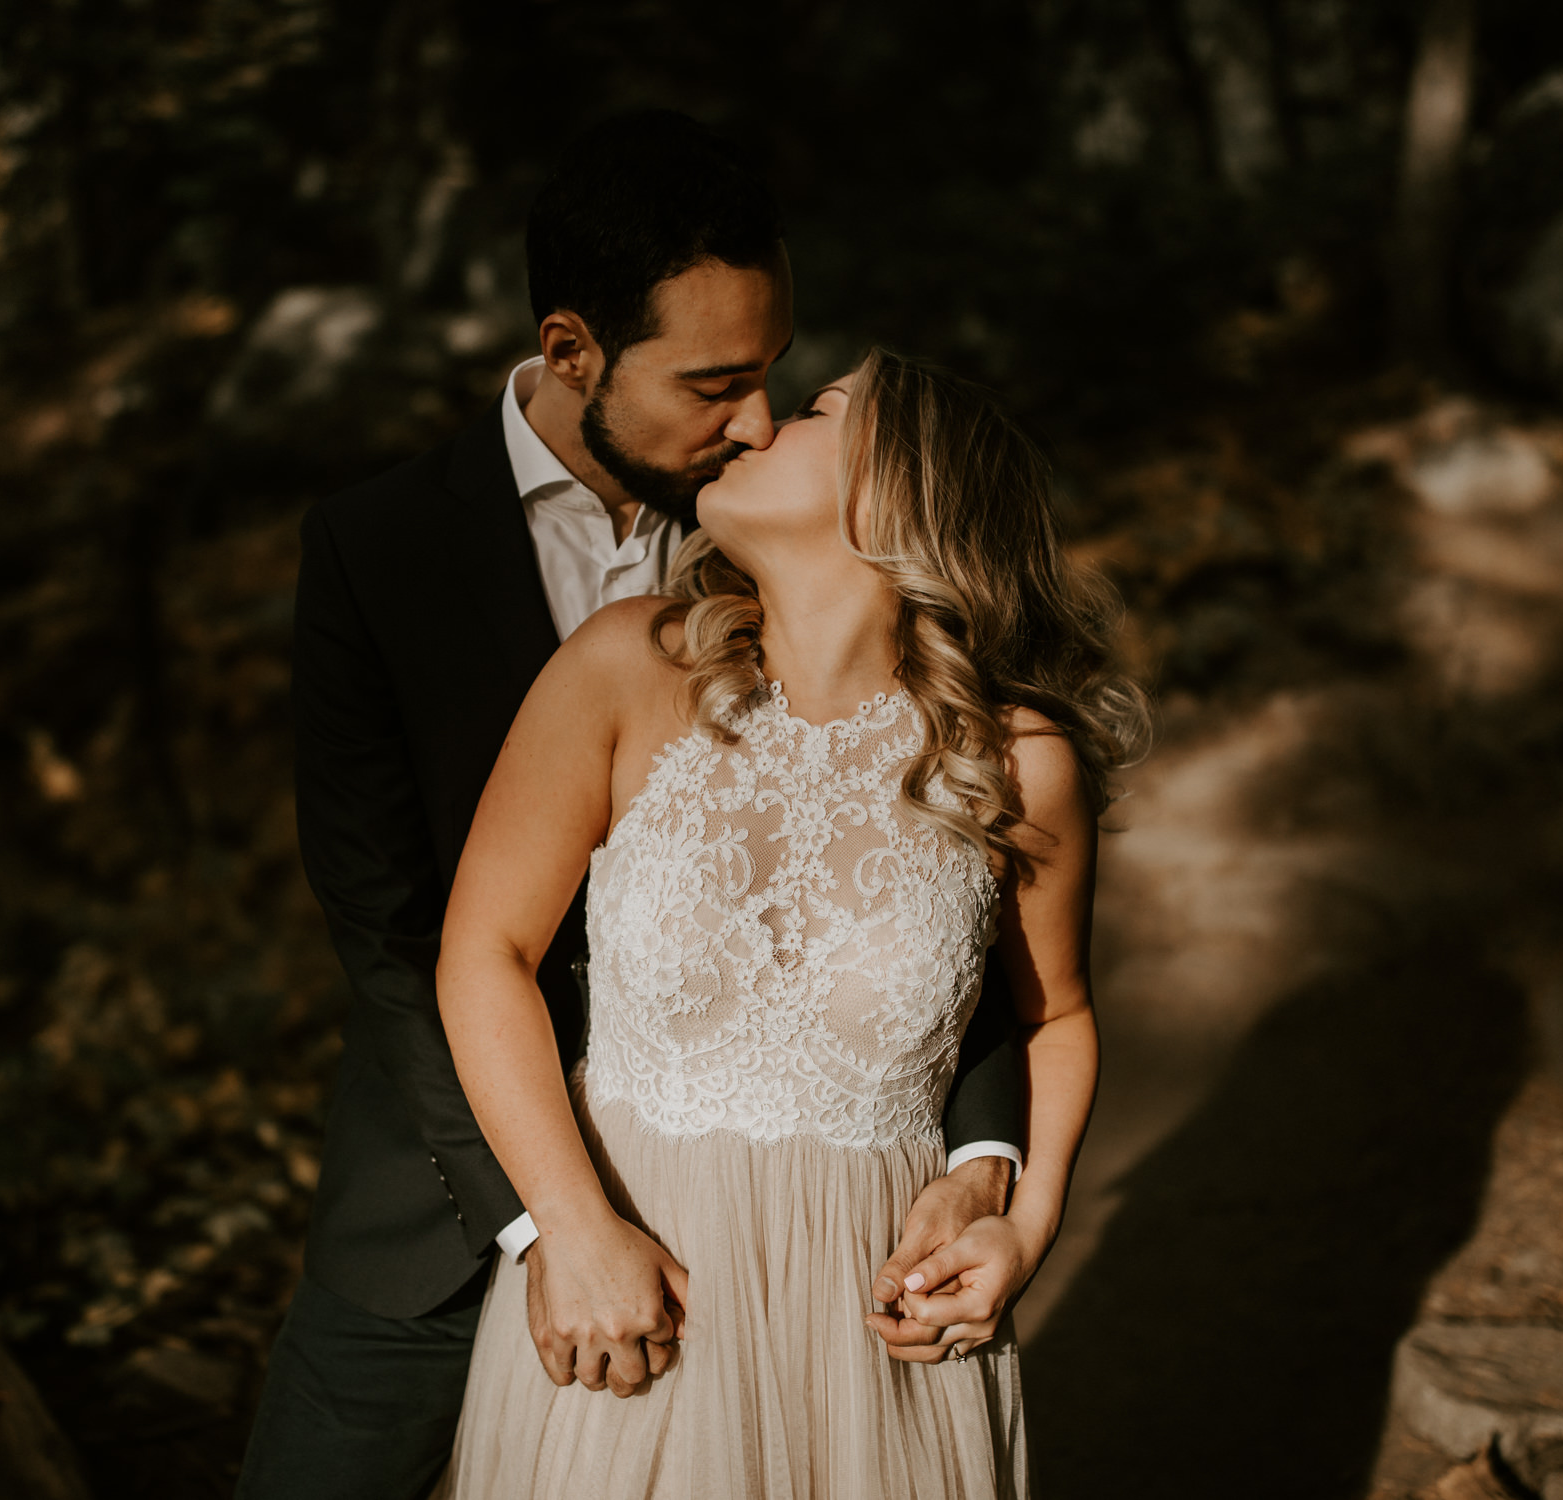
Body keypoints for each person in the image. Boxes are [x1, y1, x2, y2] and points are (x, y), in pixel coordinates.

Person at [235, 113, 1038, 1499]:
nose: (754, 419)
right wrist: (552, 1229)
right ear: (569, 354)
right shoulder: (378, 555)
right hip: (450, 1196)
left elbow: (932, 894)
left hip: (782, 1235)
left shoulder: (778, 530)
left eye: (774, 374)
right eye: (715, 381)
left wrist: (981, 1156)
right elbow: (394, 937)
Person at [431, 347, 1146, 1497]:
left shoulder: (1016, 762)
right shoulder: (623, 666)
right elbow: (485, 954)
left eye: (818, 411)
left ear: (909, 490)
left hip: (869, 1321)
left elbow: (1053, 1013)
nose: (754, 428)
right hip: (635, 1276)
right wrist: (569, 1228)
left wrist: (1028, 1219)